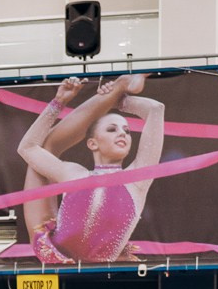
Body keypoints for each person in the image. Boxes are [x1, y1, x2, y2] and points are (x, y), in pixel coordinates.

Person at [17, 74, 167, 266]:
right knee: (48, 147)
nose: (122, 133)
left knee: (50, 146)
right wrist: (59, 101)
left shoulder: (137, 179)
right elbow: (27, 148)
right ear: (92, 143)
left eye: (127, 131)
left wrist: (118, 101)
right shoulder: (73, 174)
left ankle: (121, 84)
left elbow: (155, 109)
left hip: (60, 262)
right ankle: (121, 84)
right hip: (54, 248)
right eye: (112, 129)